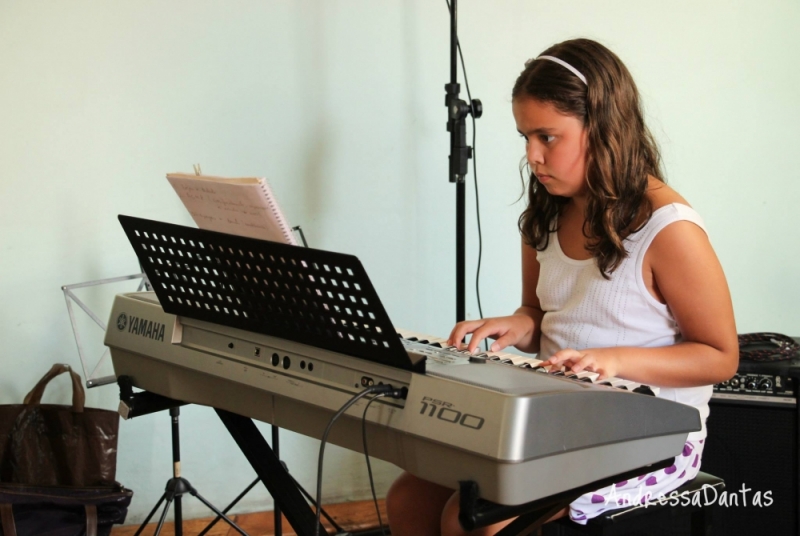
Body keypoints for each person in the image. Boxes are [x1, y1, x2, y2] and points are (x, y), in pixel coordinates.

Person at [385, 38, 738, 536]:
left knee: (470, 522)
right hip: (562, 420)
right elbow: (539, 314)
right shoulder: (548, 214)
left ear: (603, 127)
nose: (533, 155)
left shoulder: (670, 229)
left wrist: (614, 360)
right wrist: (515, 324)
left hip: (651, 438)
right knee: (407, 498)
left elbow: (720, 355)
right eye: (525, 137)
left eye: (548, 137)